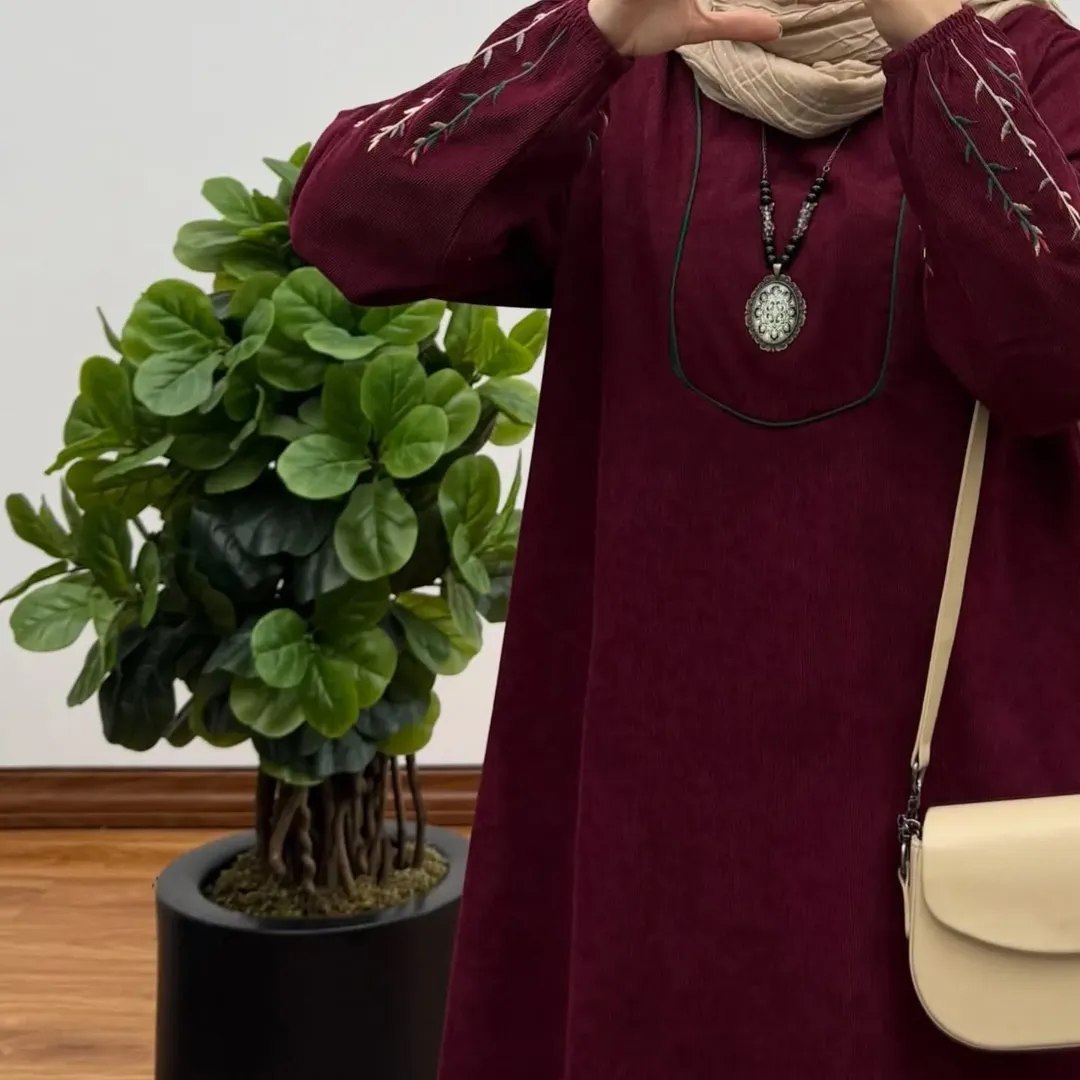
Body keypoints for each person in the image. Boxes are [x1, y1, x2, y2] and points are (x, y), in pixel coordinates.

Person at [290, 0, 1080, 1074]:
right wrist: (598, 28)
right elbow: (351, 222)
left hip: (928, 792)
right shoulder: (635, 73)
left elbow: (1054, 353)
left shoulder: (1031, 73)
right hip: (640, 800)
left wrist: (930, 34)